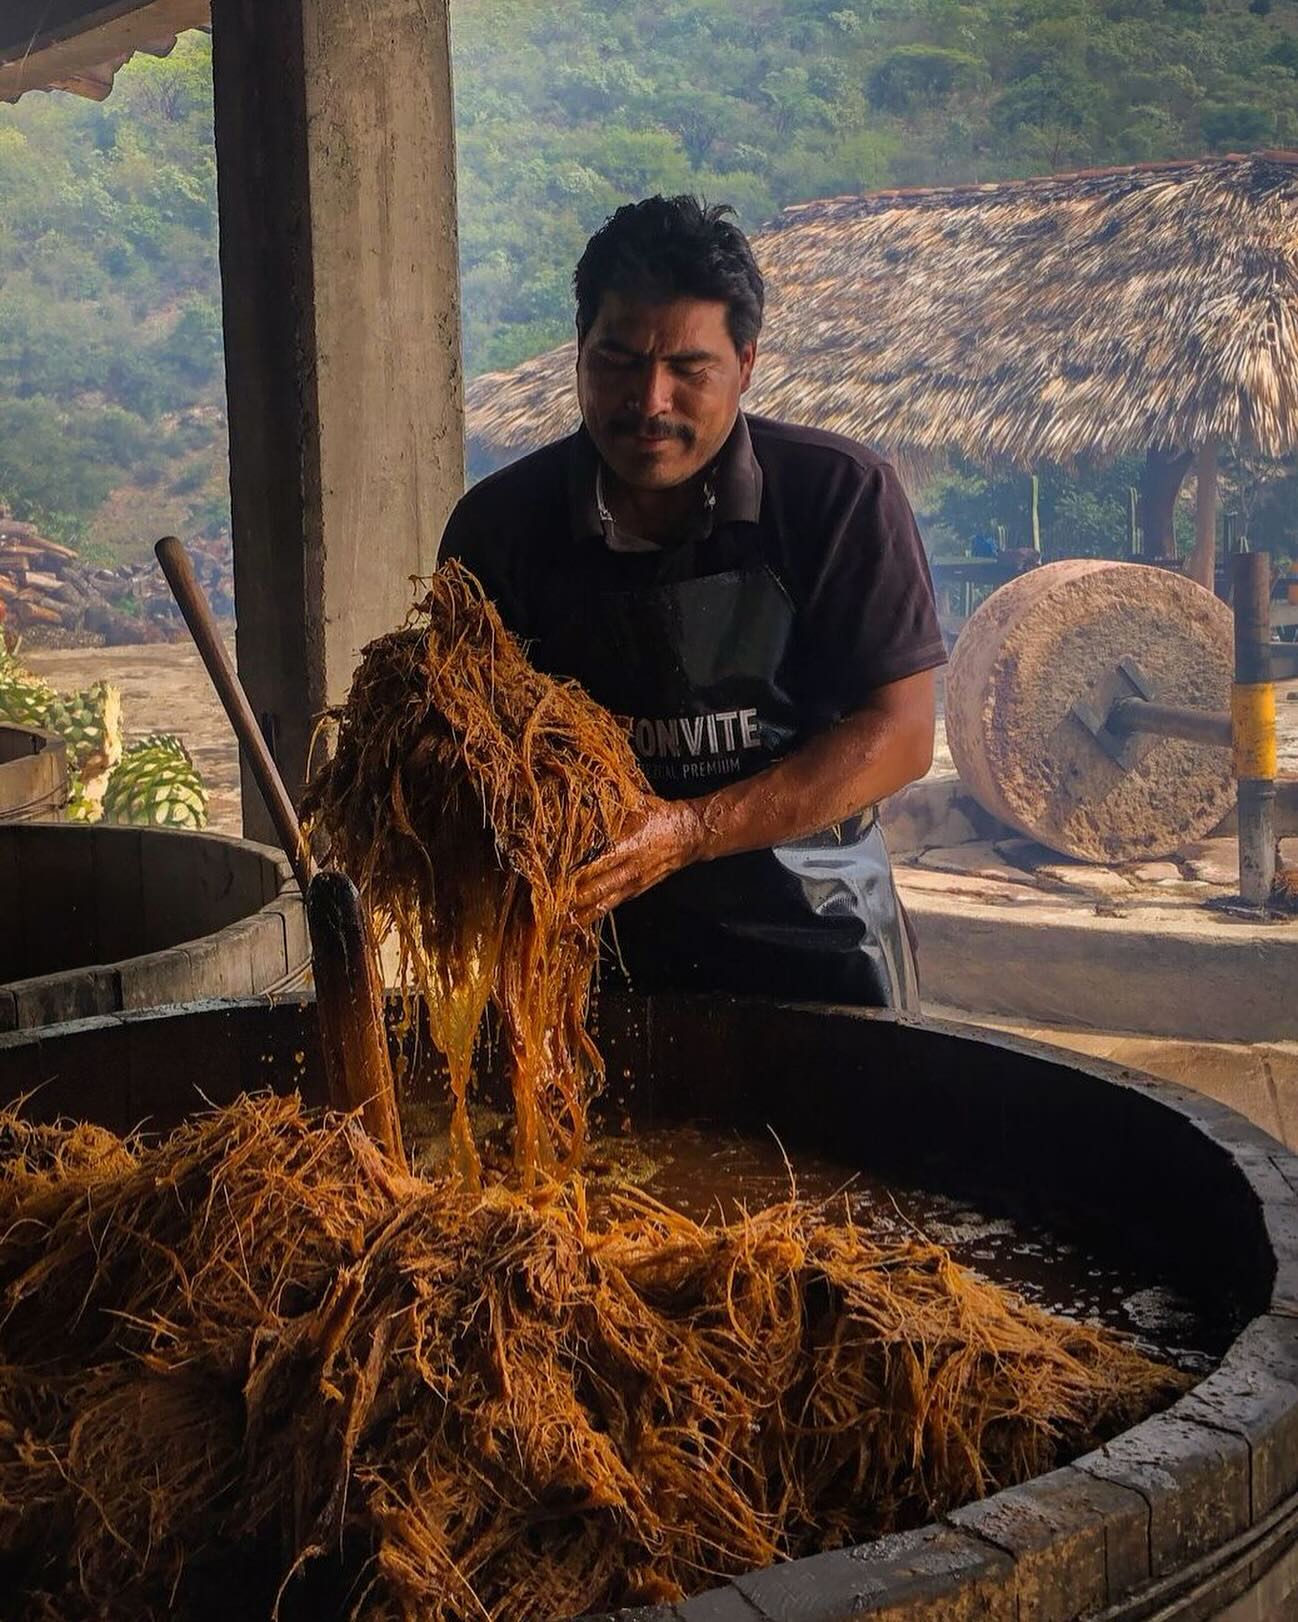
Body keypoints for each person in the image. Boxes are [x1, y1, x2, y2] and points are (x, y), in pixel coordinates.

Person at [439, 195, 945, 1009]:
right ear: (578, 354)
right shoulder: (498, 529)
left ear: (745, 364)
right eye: (618, 360)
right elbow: (467, 746)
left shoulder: (838, 496)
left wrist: (686, 832)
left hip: (815, 935)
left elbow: (901, 734)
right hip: (593, 954)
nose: (649, 403)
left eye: (688, 370)